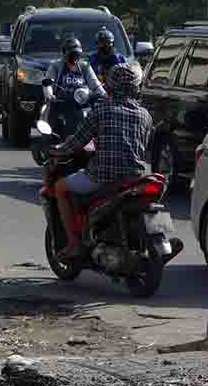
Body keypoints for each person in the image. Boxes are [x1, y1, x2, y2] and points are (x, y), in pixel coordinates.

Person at [51, 62, 152, 260]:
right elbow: (143, 148)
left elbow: (76, 142)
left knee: (61, 187)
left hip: (103, 177)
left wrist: (58, 152)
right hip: (135, 178)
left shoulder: (102, 110)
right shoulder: (145, 115)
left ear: (110, 86)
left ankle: (73, 244)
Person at [46, 37, 106, 102]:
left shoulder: (85, 66)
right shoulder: (55, 67)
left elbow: (95, 84)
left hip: (83, 107)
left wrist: (103, 94)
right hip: (60, 106)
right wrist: (50, 95)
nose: (75, 57)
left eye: (77, 54)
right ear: (64, 53)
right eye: (72, 54)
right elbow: (47, 84)